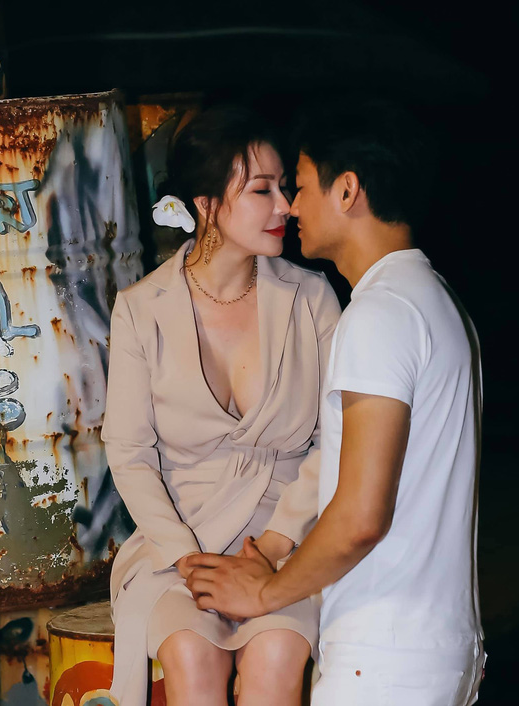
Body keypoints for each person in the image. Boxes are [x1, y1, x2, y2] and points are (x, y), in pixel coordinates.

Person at [186, 100, 485, 706]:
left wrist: (265, 593)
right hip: (434, 648)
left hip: (384, 660)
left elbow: (358, 519)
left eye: (299, 187)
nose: (291, 207)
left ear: (347, 190)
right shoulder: (434, 299)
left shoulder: (379, 315)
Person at [101, 106, 341, 706]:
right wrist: (186, 557)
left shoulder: (312, 299)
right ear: (206, 204)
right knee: (189, 652)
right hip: (180, 549)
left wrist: (277, 546)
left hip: (285, 547)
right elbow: (128, 451)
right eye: (262, 190)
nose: (286, 205)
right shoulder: (142, 308)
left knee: (277, 652)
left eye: (284, 187)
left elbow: (337, 436)